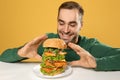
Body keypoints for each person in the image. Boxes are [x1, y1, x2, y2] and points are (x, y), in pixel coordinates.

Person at [0, 1, 120, 71]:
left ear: (81, 25)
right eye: (61, 23)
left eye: (72, 24)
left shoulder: (90, 46)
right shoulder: (46, 43)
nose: (65, 30)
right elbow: (3, 57)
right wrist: (20, 53)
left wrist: (97, 63)